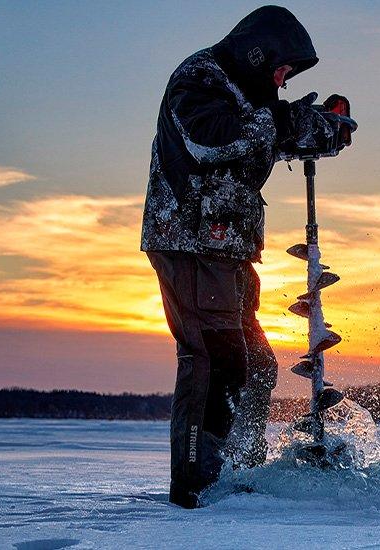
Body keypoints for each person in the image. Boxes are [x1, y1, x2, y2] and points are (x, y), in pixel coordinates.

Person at [140, 5, 347, 509]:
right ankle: (198, 480)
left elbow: (264, 133)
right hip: (190, 242)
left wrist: (319, 131)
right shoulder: (201, 77)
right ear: (259, 51)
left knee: (256, 364)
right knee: (217, 360)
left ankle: (240, 467)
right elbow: (212, 138)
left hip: (229, 250)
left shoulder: (248, 97)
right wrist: (285, 118)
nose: (283, 79)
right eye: (281, 68)